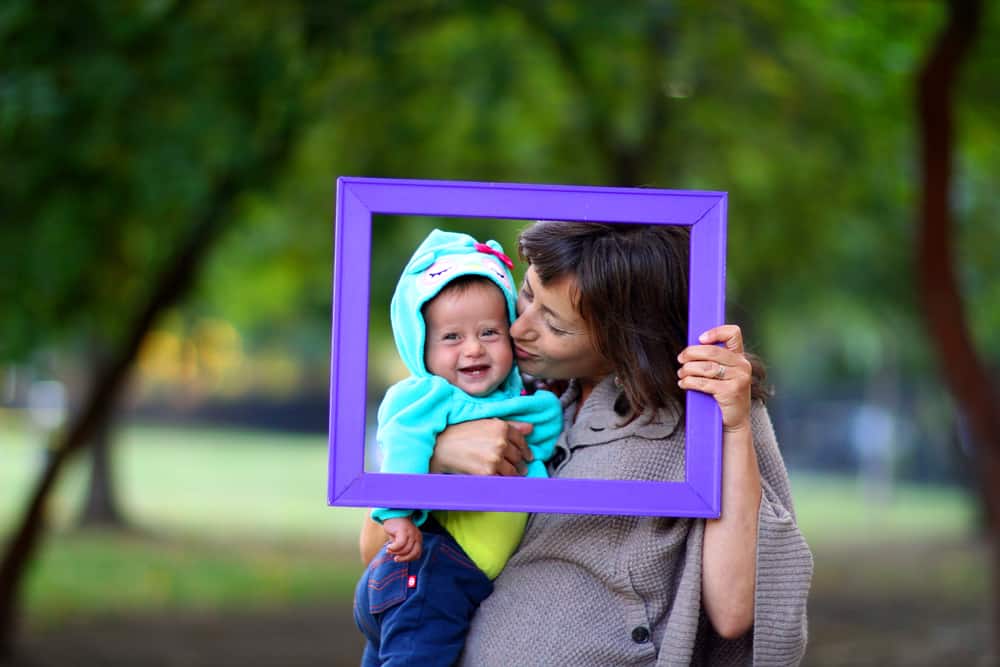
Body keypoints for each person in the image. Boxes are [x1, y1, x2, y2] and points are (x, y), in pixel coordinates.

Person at [360, 220, 813, 666]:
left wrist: (732, 427)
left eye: (554, 325)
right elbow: (377, 555)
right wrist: (437, 459)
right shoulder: (506, 397)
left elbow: (734, 612)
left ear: (626, 338)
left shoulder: (703, 413)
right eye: (527, 293)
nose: (518, 329)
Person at [354, 229, 563, 667]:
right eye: (451, 337)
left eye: (489, 332)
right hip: (429, 569)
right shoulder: (430, 396)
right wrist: (397, 513)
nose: (473, 349)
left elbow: (541, 440)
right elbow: (401, 440)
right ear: (421, 347)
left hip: (441, 579)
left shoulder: (518, 402)